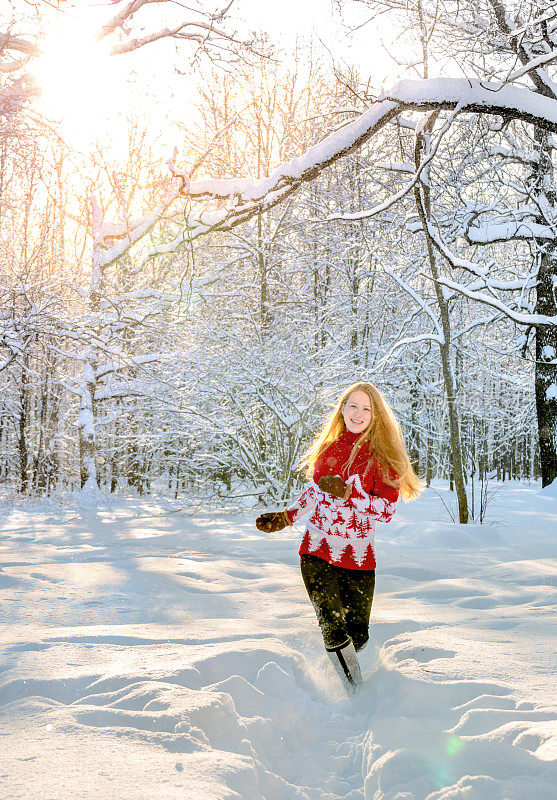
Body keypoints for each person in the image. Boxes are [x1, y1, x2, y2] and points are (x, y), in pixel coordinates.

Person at [256, 381, 424, 693]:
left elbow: (386, 511)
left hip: (358, 560)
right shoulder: (329, 450)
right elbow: (316, 492)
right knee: (332, 627)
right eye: (353, 406)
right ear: (342, 409)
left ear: (375, 416)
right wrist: (287, 517)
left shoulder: (382, 459)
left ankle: (343, 676)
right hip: (317, 551)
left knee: (357, 636)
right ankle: (357, 695)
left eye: (366, 409)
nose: (358, 414)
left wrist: (350, 494)